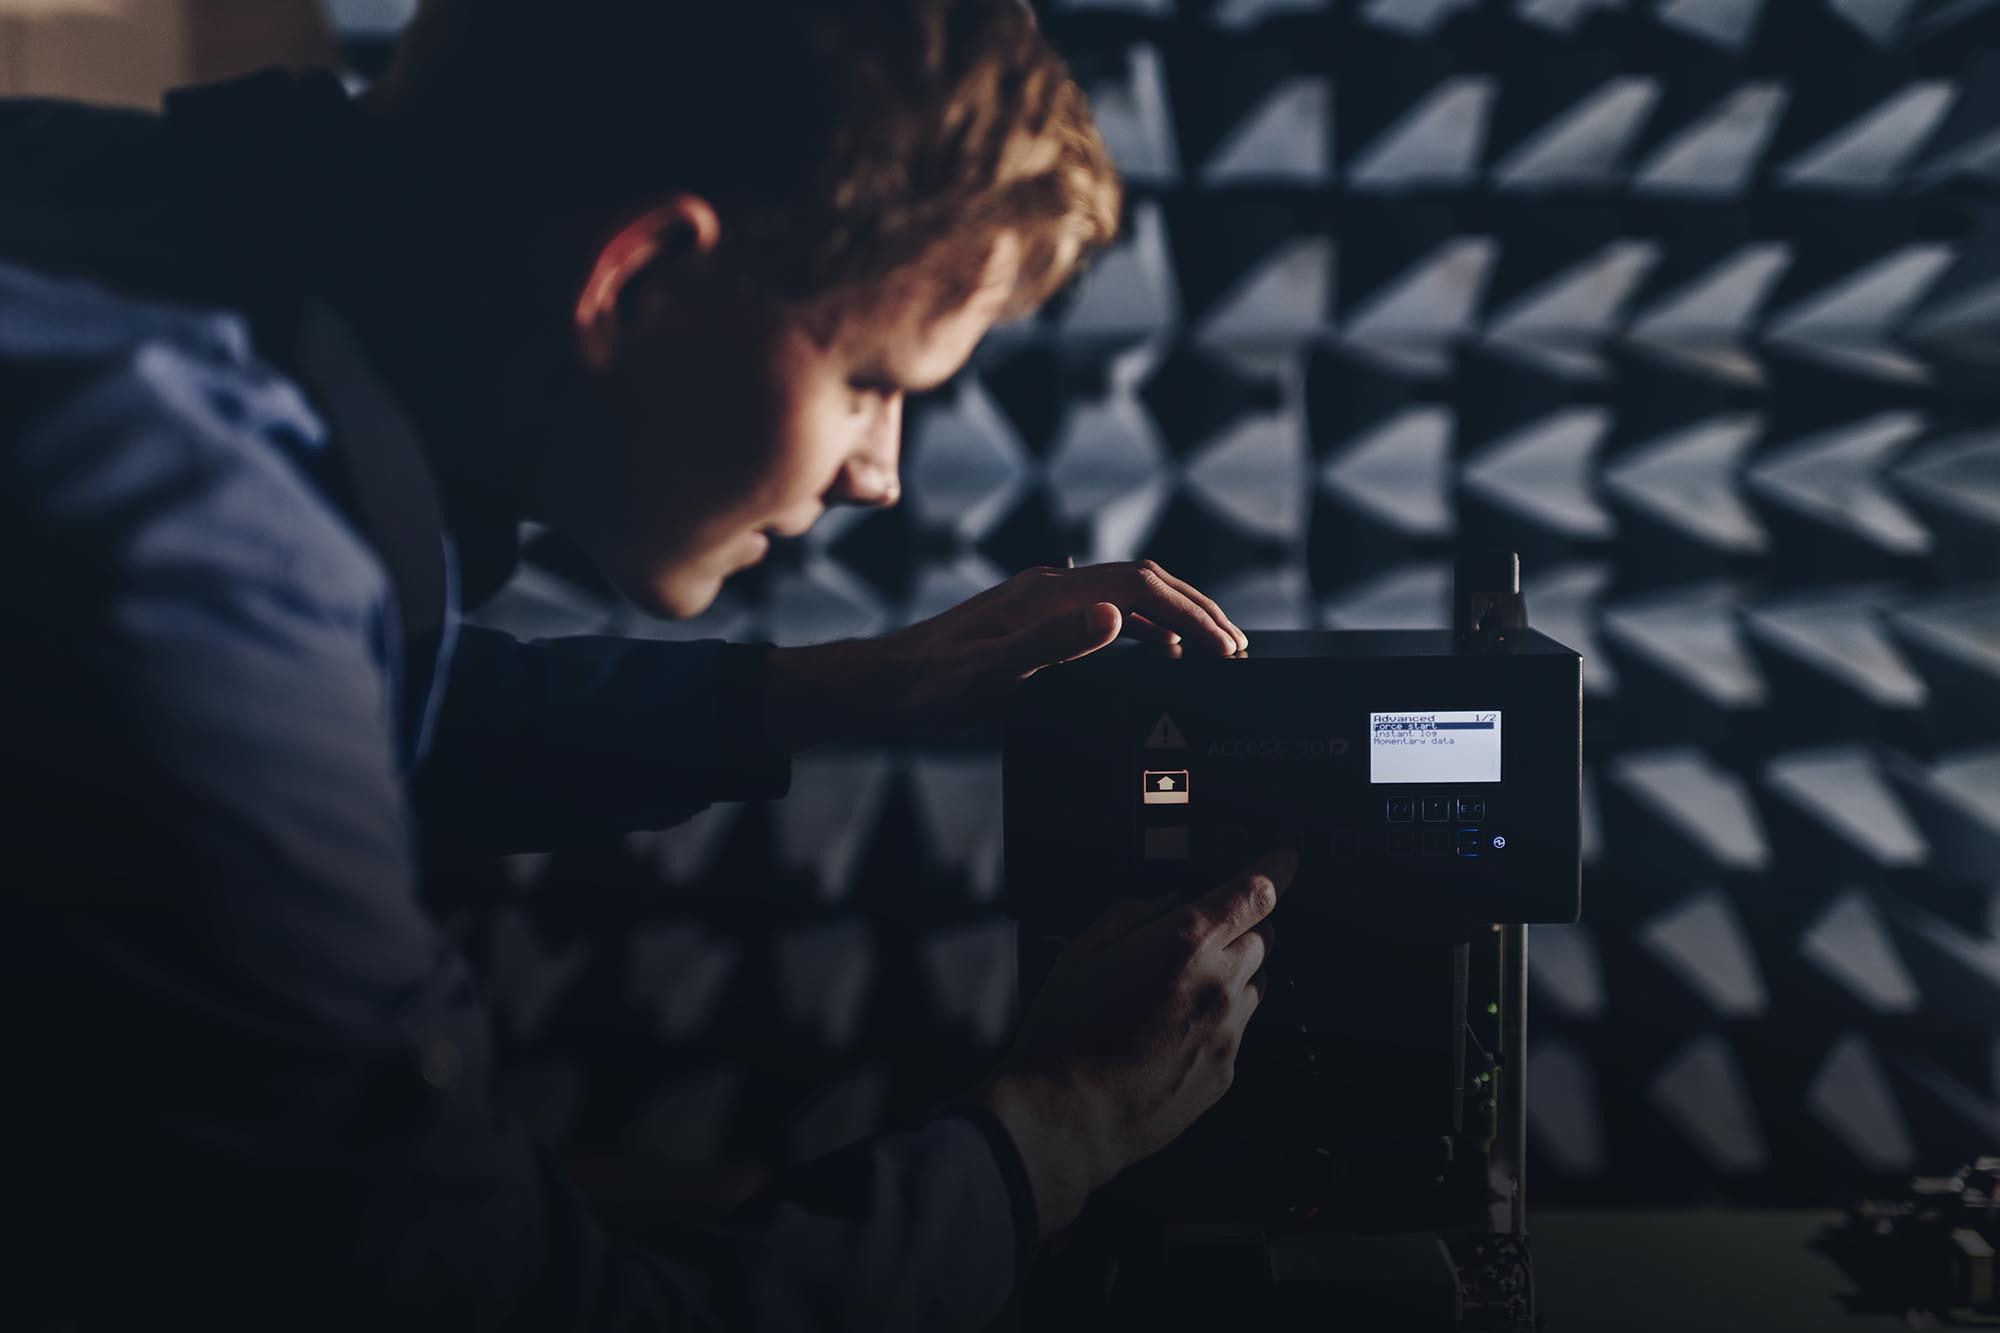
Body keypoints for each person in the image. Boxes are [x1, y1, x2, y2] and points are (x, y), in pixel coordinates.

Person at [0, 1, 1297, 1328]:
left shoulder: (97, 212)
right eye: (866, 379)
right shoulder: (196, 582)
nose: (878, 477)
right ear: (638, 284)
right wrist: (1054, 1140)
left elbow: (376, 703)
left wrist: (818, 687)